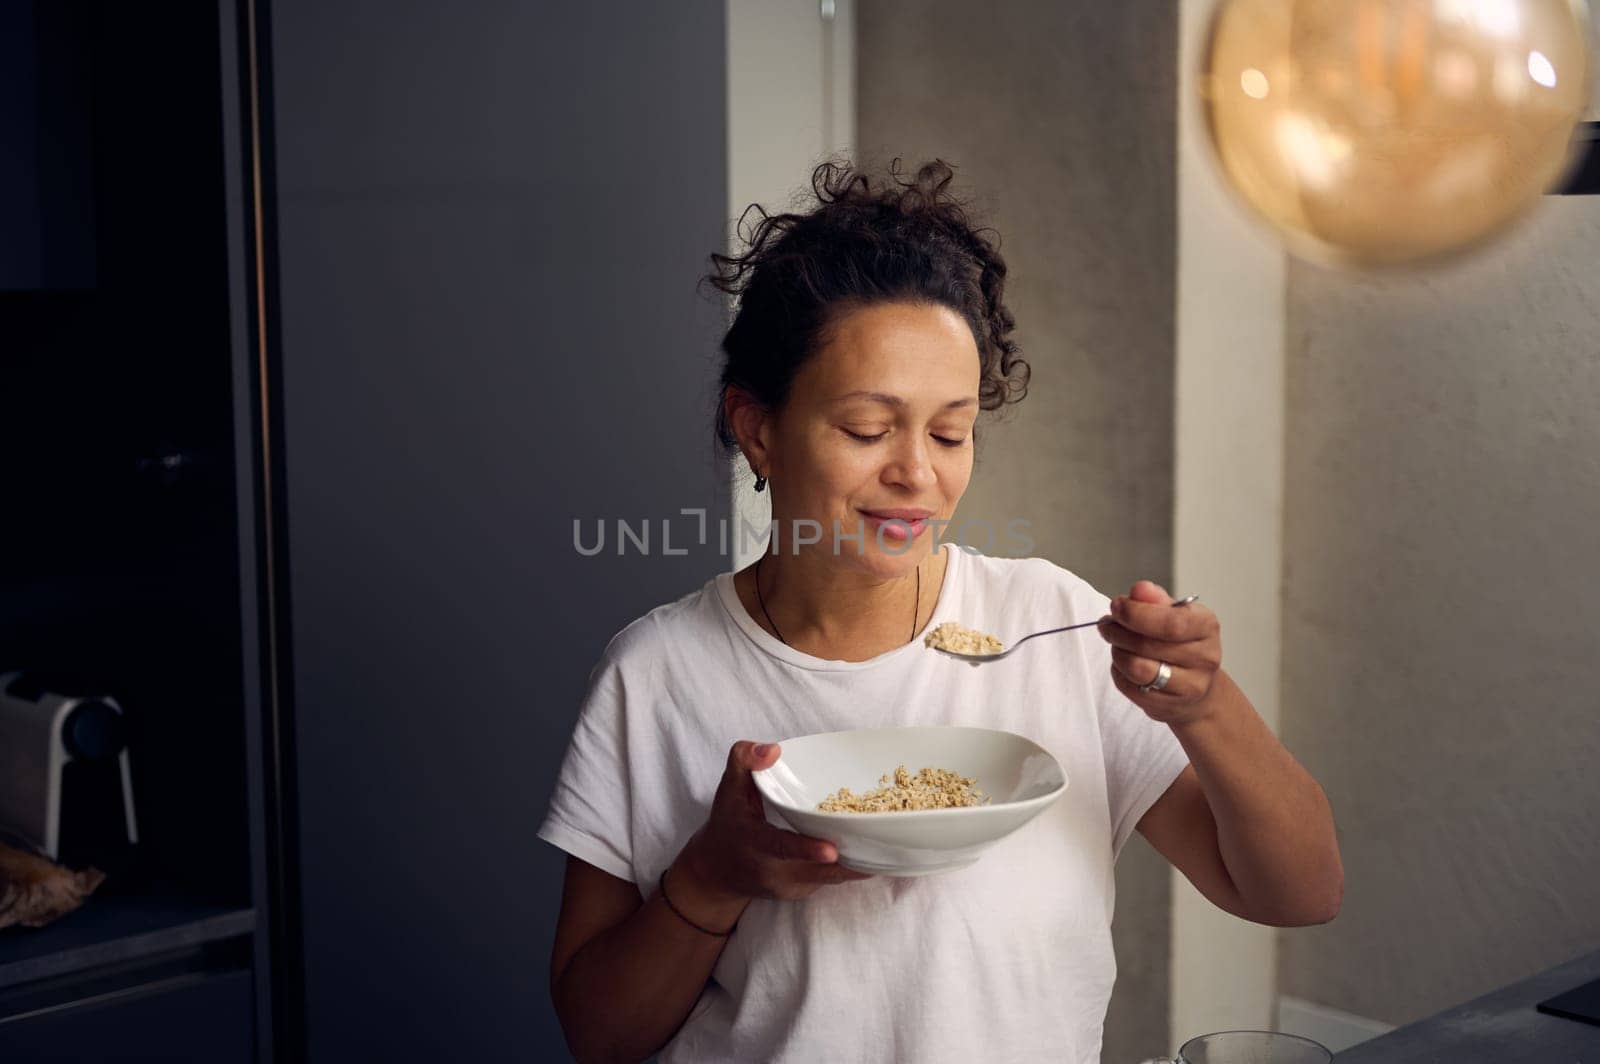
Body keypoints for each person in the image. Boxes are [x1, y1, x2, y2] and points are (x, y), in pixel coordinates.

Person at [539, 159, 1342, 1063]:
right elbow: (598, 1035)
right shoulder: (655, 674)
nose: (918, 474)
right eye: (868, 429)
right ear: (759, 427)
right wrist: (713, 877)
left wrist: (1203, 706)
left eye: (951, 431)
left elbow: (1300, 893)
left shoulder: (1048, 622)